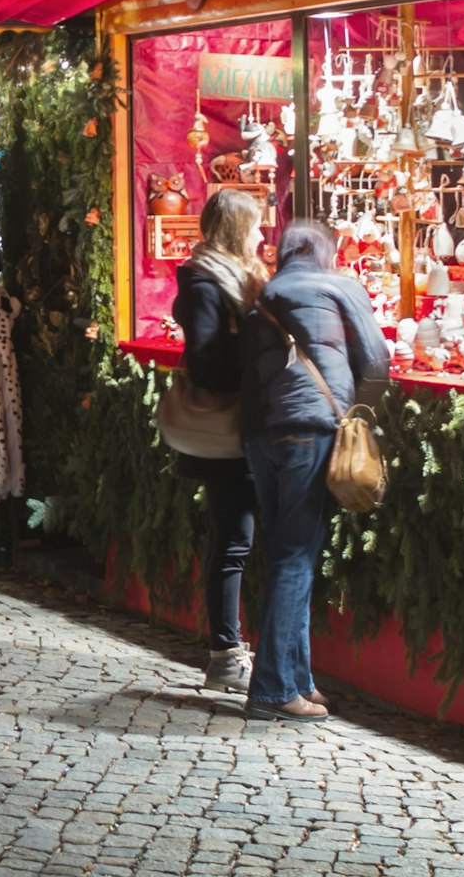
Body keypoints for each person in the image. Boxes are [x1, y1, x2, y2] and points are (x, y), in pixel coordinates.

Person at [237, 218, 392, 722]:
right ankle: (273, 688)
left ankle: (297, 677)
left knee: (285, 550)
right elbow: (376, 359)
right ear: (328, 250)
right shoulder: (338, 285)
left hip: (261, 432)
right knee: (296, 556)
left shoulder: (263, 295)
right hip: (311, 428)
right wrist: (360, 414)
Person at [168, 188, 268, 698]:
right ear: (235, 231)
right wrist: (259, 367)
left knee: (239, 538)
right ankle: (226, 654)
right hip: (230, 430)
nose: (262, 235)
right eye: (254, 227)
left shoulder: (232, 276)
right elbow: (206, 361)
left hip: (248, 426)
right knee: (233, 540)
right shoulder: (206, 282)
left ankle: (237, 650)